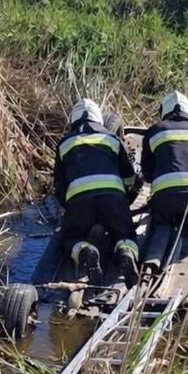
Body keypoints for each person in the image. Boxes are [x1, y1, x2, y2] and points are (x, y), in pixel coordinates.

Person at [54, 98, 140, 288]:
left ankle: (85, 251)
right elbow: (129, 176)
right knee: (125, 234)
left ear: (73, 119)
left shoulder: (64, 143)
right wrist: (125, 199)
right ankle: (125, 252)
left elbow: (59, 187)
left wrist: (70, 209)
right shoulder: (112, 138)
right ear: (99, 118)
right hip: (112, 198)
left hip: (79, 201)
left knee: (70, 239)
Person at [141, 91, 188, 232]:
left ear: (163, 111)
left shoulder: (155, 130)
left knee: (160, 226)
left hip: (165, 198)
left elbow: (147, 173)